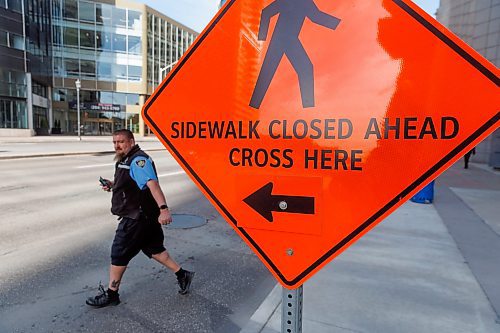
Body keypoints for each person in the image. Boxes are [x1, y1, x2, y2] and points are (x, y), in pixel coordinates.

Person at [86, 129, 194, 308]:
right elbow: (133, 185)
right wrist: (114, 185)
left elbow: (152, 185)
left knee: (118, 253)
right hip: (145, 217)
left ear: (131, 141)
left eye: (121, 141)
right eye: (114, 142)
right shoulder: (126, 160)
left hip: (136, 218)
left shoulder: (138, 160)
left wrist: (164, 209)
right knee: (155, 249)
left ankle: (112, 294)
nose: (117, 145)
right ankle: (182, 275)